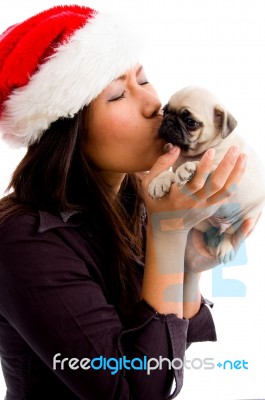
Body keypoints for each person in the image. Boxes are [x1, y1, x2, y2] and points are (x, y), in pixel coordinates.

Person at [0, 5, 253, 400]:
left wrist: (187, 268)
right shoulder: (23, 241)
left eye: (144, 78)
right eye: (118, 94)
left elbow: (170, 354)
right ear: (68, 132)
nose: (154, 104)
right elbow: (134, 391)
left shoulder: (143, 197)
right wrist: (168, 235)